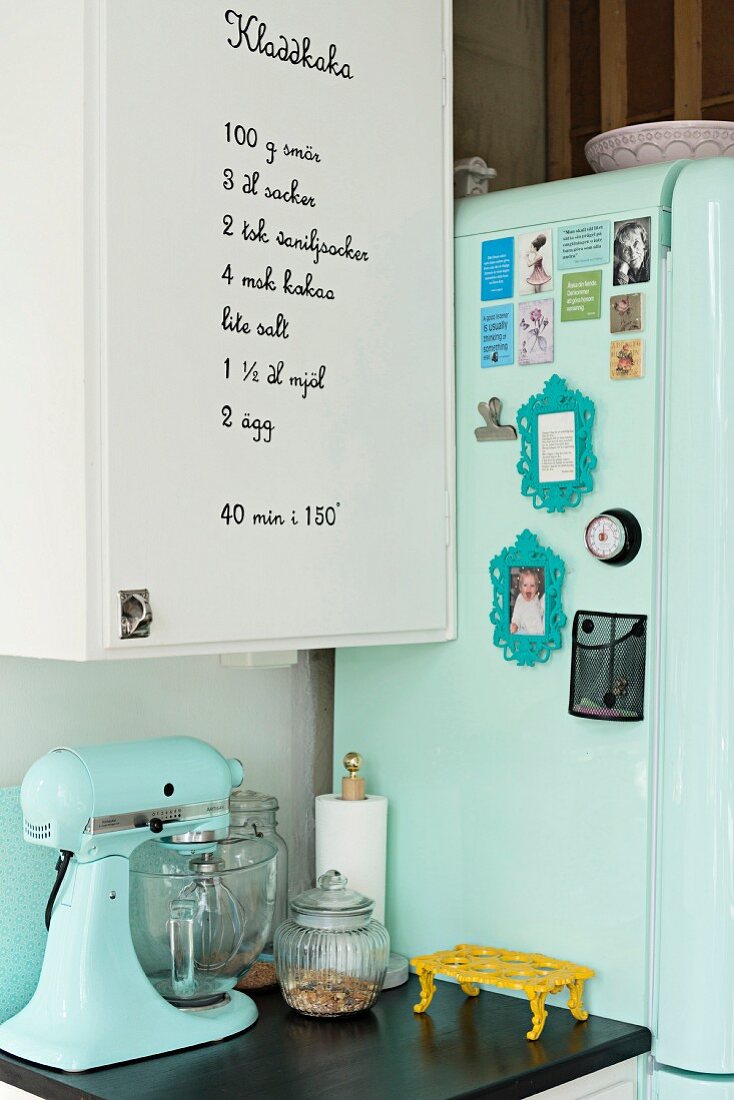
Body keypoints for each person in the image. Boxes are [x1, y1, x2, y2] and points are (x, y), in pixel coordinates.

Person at [510, 568, 545, 635]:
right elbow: (517, 615)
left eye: (532, 585)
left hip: (538, 630)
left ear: (536, 588)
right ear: (520, 587)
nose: (529, 588)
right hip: (526, 631)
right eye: (525, 585)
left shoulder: (535, 598)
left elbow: (540, 611)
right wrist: (515, 624)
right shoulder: (520, 600)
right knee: (518, 633)